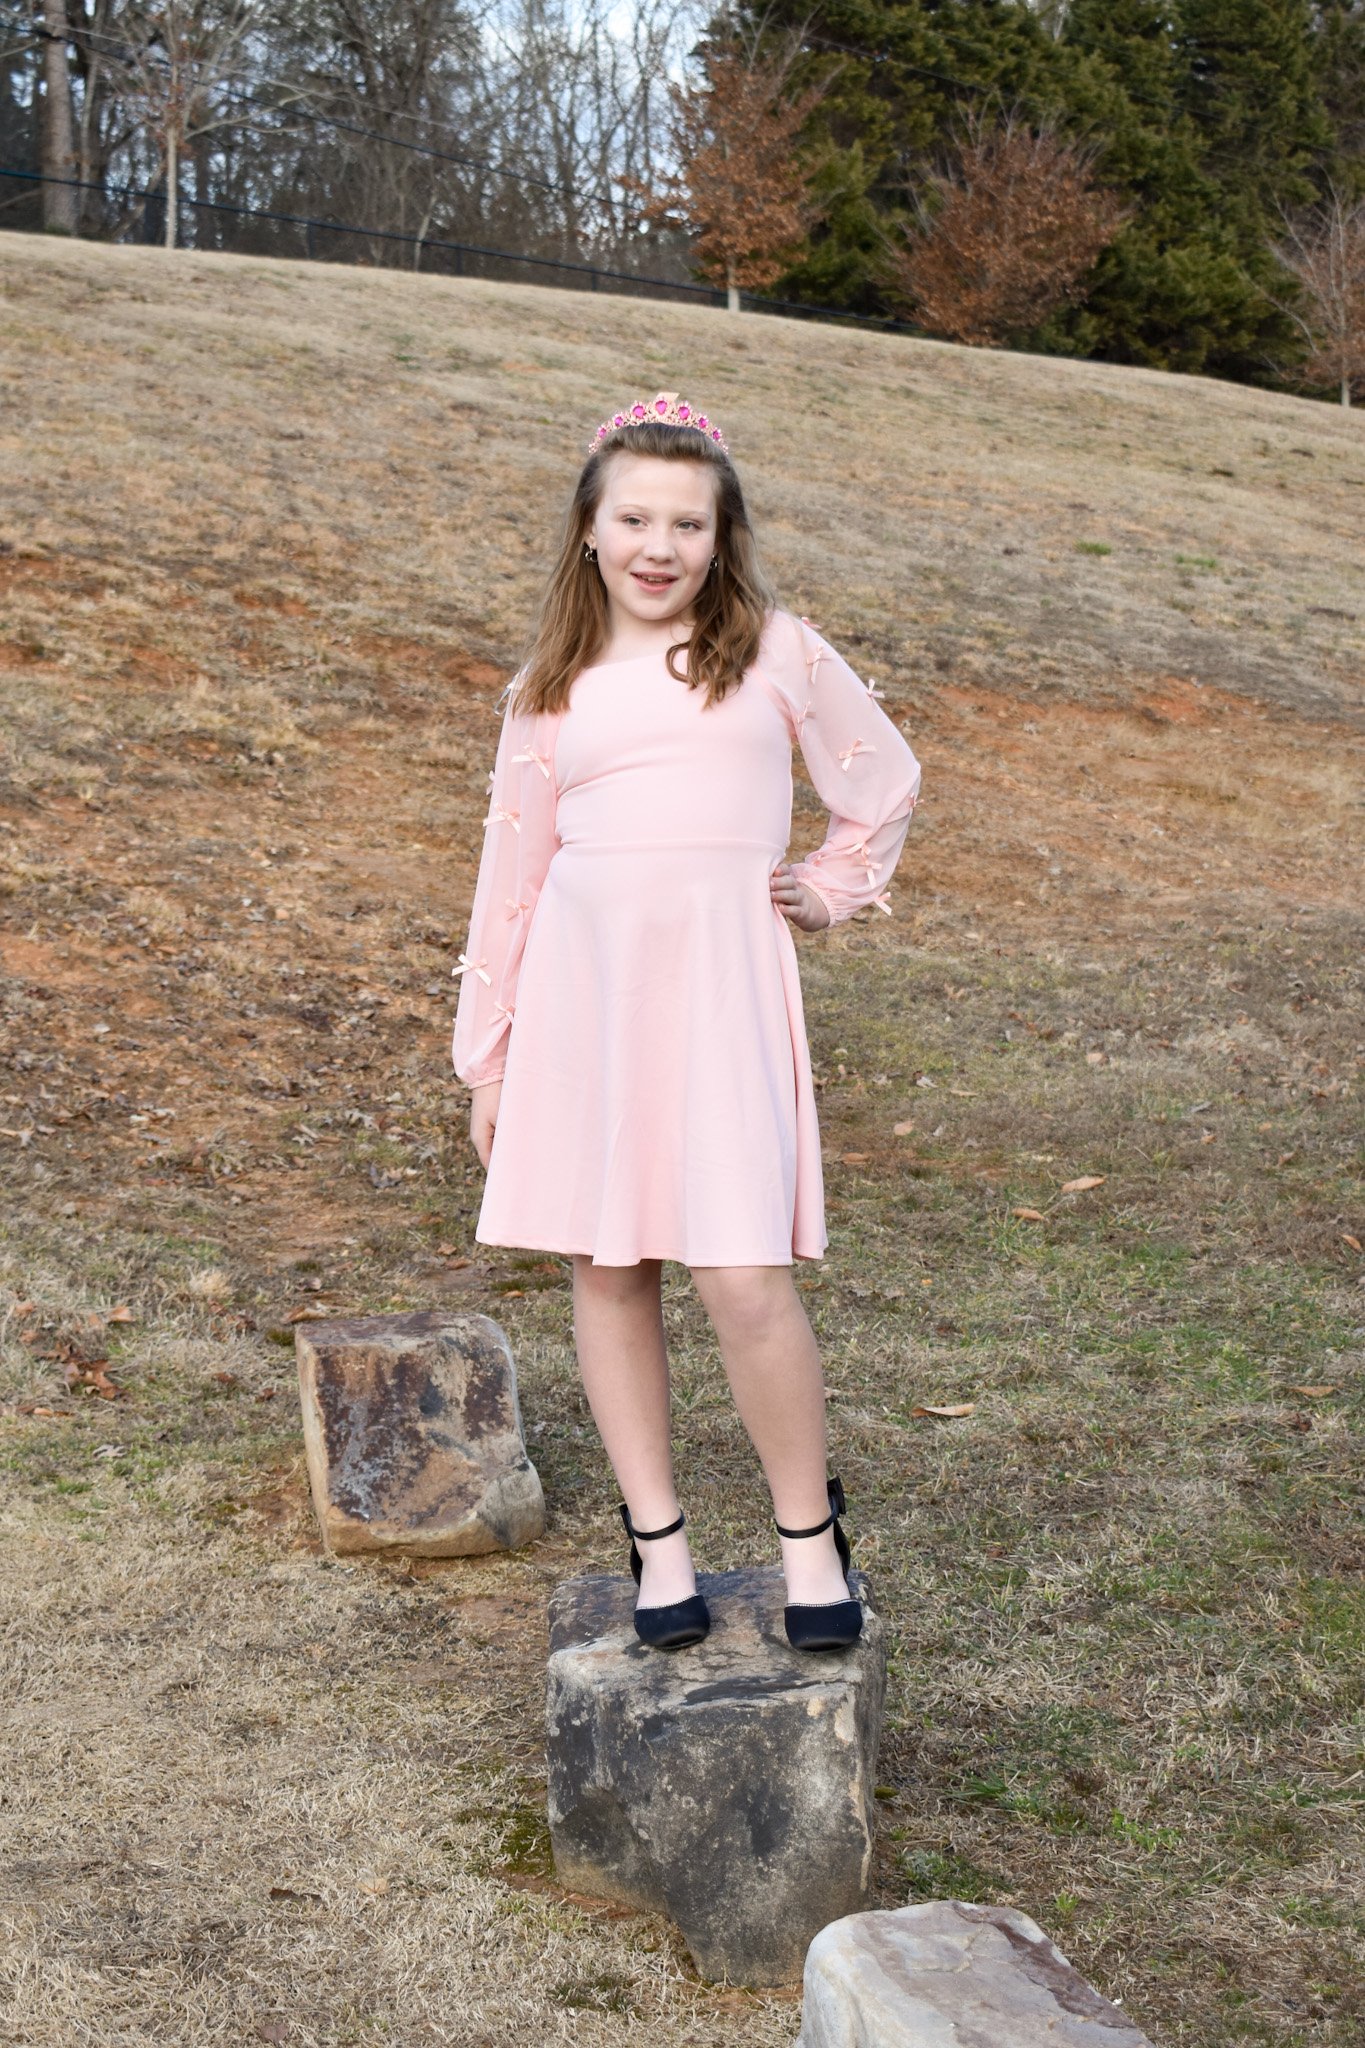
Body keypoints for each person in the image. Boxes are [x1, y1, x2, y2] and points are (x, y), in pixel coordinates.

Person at [451, 391, 921, 1655]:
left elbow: (881, 780)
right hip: (582, 1000)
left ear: (722, 536)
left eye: (688, 522)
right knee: (608, 1266)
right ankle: (658, 1545)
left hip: (719, 993)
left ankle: (807, 1535)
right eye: (635, 518)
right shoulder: (548, 690)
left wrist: (826, 888)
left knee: (741, 1276)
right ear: (590, 531)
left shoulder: (772, 651)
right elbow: (512, 884)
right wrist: (487, 1060)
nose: (660, 545)